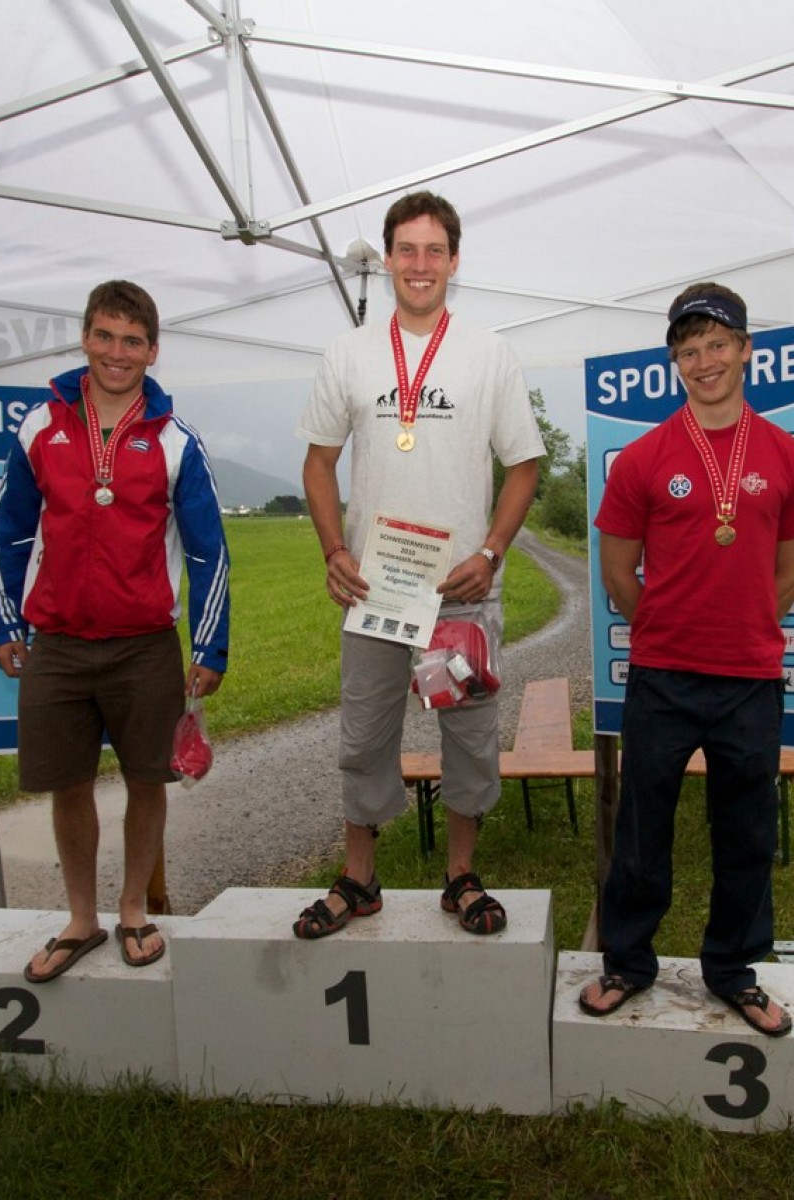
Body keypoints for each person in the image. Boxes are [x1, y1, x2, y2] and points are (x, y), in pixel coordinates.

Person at [576, 282, 794, 1036]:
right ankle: (627, 960)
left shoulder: (788, 457)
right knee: (644, 826)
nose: (704, 360)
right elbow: (618, 570)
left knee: (747, 830)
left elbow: (792, 571)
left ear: (746, 349)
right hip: (662, 674)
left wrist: (743, 624)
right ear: (674, 365)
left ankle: (734, 971)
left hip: (751, 676)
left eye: (717, 344)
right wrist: (663, 624)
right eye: (688, 350)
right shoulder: (645, 457)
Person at [293, 191, 545, 939]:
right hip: (376, 590)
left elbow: (525, 465)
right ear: (388, 258)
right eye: (407, 250)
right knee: (364, 735)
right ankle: (358, 879)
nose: (421, 264)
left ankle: (460, 876)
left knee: (466, 733)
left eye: (435, 251)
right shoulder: (350, 352)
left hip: (459, 592)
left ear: (455, 261)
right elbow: (318, 462)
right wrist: (334, 549)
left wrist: (491, 553)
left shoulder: (489, 352)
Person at [0, 279, 230, 983]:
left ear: (152, 351)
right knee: (68, 784)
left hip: (143, 642)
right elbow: (8, 533)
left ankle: (132, 909)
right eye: (104, 335)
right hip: (57, 642)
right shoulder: (41, 428)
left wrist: (211, 645)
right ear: (85, 338)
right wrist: (5, 621)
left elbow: (210, 549)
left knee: (146, 780)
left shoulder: (178, 442)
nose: (116, 353)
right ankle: (79, 918)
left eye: (132, 340)